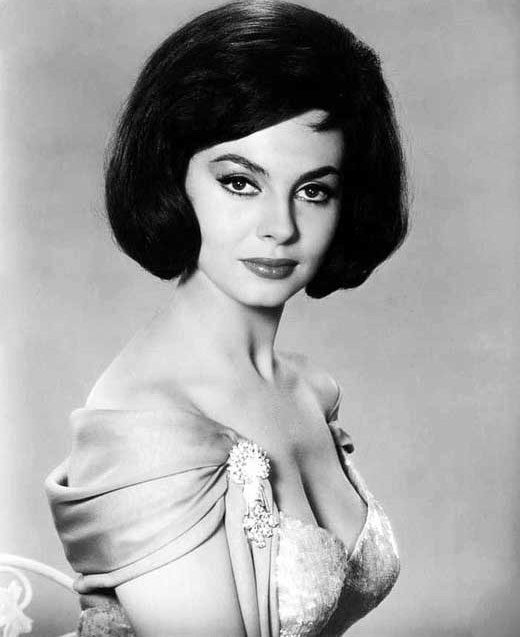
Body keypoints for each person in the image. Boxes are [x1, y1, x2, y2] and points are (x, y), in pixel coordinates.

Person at [45, 1, 408, 635]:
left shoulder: (309, 389)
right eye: (241, 181)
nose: (280, 227)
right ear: (173, 179)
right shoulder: (147, 428)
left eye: (313, 190)